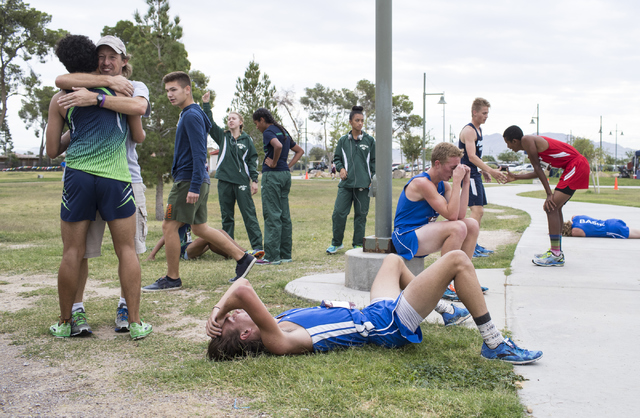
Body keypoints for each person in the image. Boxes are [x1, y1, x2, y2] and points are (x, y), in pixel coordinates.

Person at [205, 251, 543, 365]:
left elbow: (241, 293)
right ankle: (495, 344)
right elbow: (243, 289)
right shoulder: (278, 341)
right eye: (233, 319)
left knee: (393, 261)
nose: (232, 313)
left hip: (373, 311)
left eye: (229, 315)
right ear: (248, 333)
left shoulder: (276, 323)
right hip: (390, 324)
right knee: (457, 261)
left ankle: (444, 307)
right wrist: (219, 310)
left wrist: (221, 314)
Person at [45, 34, 152, 340]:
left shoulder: (61, 97)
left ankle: (66, 322)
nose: (106, 63)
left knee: (73, 252)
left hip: (77, 177)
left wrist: (77, 130)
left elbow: (53, 149)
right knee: (127, 250)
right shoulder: (121, 90)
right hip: (116, 177)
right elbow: (139, 133)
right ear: (94, 59)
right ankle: (133, 323)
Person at [145, 71, 256, 290]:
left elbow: (199, 152)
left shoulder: (191, 115)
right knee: (200, 228)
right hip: (194, 179)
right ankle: (243, 258)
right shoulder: (191, 113)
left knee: (169, 225)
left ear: (187, 90)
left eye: (174, 89)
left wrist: (194, 185)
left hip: (189, 180)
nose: (169, 94)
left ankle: (172, 278)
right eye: (167, 90)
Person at [503, 126, 590, 267]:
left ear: (514, 141)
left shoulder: (526, 140)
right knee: (554, 208)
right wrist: (516, 177)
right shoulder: (531, 147)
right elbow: (539, 171)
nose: (508, 147)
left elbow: (537, 168)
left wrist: (549, 194)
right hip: (574, 166)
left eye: (507, 143)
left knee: (550, 207)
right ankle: (556, 252)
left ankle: (556, 254)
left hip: (576, 165)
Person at [201, 92, 263, 257]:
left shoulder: (247, 140)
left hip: (242, 181)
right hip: (224, 181)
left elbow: (252, 160)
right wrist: (206, 104)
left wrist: (254, 180)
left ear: (240, 122)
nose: (230, 120)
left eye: (233, 118)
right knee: (227, 217)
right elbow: (210, 123)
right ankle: (228, 250)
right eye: (228, 118)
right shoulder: (223, 137)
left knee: (249, 214)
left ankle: (258, 248)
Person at [252, 108, 304, 265]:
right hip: (284, 176)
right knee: (284, 215)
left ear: (262, 120)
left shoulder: (268, 132)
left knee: (272, 214)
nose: (256, 127)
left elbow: (278, 146)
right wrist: (287, 166)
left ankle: (272, 256)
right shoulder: (282, 130)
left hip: (272, 176)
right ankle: (285, 254)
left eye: (256, 123)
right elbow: (299, 151)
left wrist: (274, 163)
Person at [458, 98, 507, 257]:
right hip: (468, 175)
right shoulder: (469, 130)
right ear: (475, 112)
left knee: (479, 211)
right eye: (484, 113)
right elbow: (471, 156)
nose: (486, 116)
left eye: (487, 113)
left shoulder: (479, 130)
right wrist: (492, 171)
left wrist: (483, 170)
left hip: (474, 174)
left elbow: (476, 157)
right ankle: (469, 246)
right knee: (476, 210)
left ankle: (474, 245)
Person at [326, 106, 375, 254]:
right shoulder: (342, 141)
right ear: (350, 122)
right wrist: (340, 168)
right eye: (357, 120)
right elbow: (337, 158)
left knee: (361, 216)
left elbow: (374, 161)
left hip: (363, 185)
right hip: (346, 184)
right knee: (338, 213)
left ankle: (358, 244)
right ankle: (336, 243)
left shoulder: (369, 140)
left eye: (362, 121)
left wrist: (373, 178)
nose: (360, 123)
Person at [146, 224, 262, 262]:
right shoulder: (178, 219)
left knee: (213, 240)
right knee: (212, 235)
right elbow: (164, 237)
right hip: (183, 252)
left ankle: (231, 254)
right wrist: (152, 254)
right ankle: (245, 253)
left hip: (190, 247)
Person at [562, 215, 640, 238]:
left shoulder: (576, 231)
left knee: (636, 234)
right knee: (633, 230)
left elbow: (576, 233)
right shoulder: (576, 218)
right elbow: (573, 216)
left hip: (611, 230)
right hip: (610, 222)